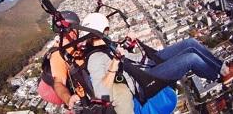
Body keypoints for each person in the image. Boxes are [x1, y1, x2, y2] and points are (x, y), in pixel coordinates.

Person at [82, 13, 233, 112]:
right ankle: (220, 75)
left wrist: (130, 44)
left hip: (149, 61)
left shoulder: (107, 45)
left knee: (190, 43)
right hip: (144, 78)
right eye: (106, 30)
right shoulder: (95, 58)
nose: (108, 32)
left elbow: (127, 57)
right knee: (190, 58)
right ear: (100, 31)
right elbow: (101, 93)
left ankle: (223, 69)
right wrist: (114, 64)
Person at [38, 11, 82, 109]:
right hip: (53, 92)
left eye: (76, 28)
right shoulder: (59, 54)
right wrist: (68, 99)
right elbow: (59, 82)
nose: (75, 32)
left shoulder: (74, 45)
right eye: (76, 28)